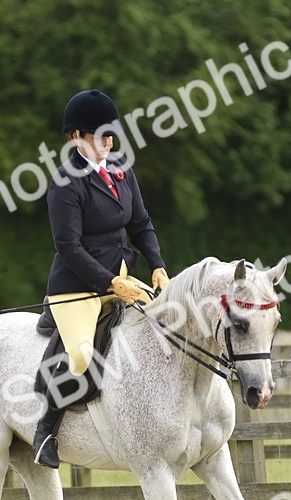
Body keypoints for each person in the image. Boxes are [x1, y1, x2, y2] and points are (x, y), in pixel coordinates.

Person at [32, 88, 170, 469]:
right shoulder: (65, 182)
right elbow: (69, 247)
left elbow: (141, 223)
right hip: (77, 286)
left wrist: (156, 264)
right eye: (99, 135)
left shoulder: (122, 169)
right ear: (76, 137)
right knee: (79, 356)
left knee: (168, 327)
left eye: (110, 133)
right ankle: (46, 430)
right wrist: (111, 283)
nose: (108, 142)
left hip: (121, 277)